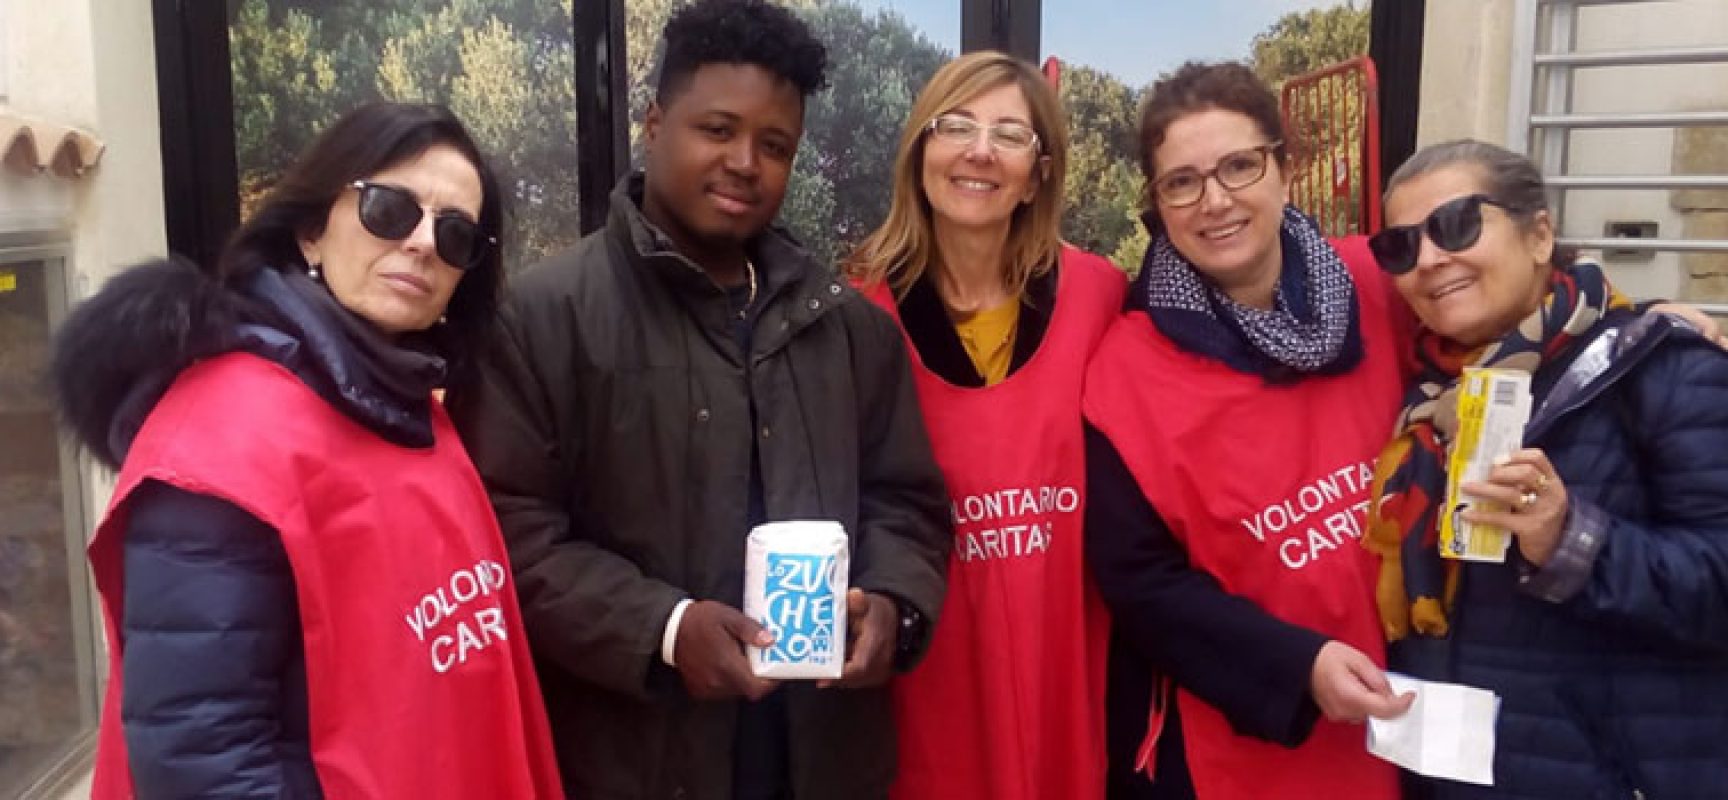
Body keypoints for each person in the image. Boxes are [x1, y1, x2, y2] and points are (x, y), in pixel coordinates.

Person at [444, 1, 951, 798]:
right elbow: (512, 539)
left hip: (825, 758)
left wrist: (894, 605)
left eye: (774, 144)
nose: (746, 161)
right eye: (718, 129)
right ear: (653, 122)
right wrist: (666, 630)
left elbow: (906, 503)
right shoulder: (544, 318)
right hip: (636, 757)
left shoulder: (850, 328)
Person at [51, 102, 561, 798]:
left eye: (456, 234)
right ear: (312, 231)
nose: (421, 244)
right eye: (389, 209)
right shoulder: (221, 443)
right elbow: (200, 758)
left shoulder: (405, 403)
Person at [1080, 61, 1413, 800]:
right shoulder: (1126, 371)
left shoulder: (1379, 282)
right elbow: (1140, 584)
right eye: (1182, 181)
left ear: (1285, 170)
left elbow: (1495, 306)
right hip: (1245, 741)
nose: (1216, 200)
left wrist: (1617, 318)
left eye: (1239, 165)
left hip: (1424, 712)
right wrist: (1299, 665)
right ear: (1158, 205)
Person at [1366, 139, 1728, 799]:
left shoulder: (1664, 371)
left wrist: (1574, 543)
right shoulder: (1419, 399)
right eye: (1400, 246)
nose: (1429, 259)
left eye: (1456, 225)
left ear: (1539, 235)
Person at [847, 51, 1125, 800]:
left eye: (1010, 134)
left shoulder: (1100, 296)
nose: (979, 150)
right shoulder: (854, 316)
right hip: (928, 677)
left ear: (1039, 171)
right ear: (920, 152)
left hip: (1067, 666)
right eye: (957, 125)